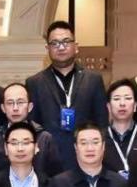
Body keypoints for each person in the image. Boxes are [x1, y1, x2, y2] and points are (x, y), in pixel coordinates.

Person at [26, 20, 108, 169]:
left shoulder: (93, 80)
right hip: (48, 162)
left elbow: (102, 123)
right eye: (55, 43)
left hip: (86, 159)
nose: (61, 47)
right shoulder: (34, 83)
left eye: (66, 42)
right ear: (47, 48)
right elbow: (33, 126)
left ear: (76, 46)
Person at [0, 82, 63, 177]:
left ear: (30, 107)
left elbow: (55, 176)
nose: (15, 108)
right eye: (10, 103)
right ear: (3, 108)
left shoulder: (44, 139)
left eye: (20, 102)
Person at [103, 78, 137, 178]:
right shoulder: (99, 139)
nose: (122, 103)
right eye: (116, 99)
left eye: (127, 98)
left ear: (135, 106)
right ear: (109, 107)